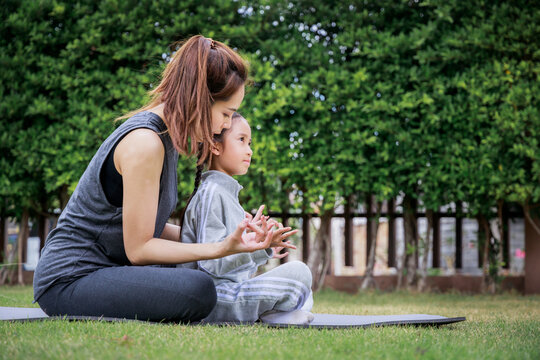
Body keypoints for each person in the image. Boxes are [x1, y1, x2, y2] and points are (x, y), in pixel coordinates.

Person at [33, 35, 288, 323]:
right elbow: (140, 248)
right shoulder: (146, 142)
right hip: (70, 278)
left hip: (109, 269)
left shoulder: (167, 137)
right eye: (226, 113)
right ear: (200, 98)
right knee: (199, 289)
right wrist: (219, 247)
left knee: (197, 276)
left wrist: (231, 235)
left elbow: (143, 225)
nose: (227, 124)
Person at [178, 113, 314, 325]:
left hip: (228, 292)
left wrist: (262, 247)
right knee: (299, 274)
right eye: (241, 140)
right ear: (215, 147)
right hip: (212, 299)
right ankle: (276, 315)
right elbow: (210, 266)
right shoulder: (212, 193)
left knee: (303, 282)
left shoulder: (227, 197)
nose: (249, 150)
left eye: (249, 143)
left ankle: (278, 314)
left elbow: (238, 272)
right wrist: (257, 249)